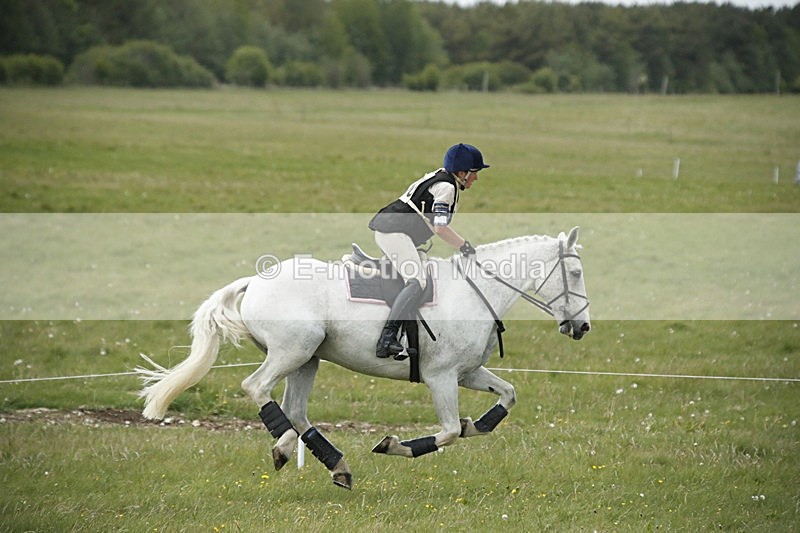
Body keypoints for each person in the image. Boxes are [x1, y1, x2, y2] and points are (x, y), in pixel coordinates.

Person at [368, 143, 489, 358]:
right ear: (462, 173)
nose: (476, 178)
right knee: (417, 281)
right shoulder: (447, 188)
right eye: (474, 172)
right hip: (393, 232)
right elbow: (440, 228)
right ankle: (387, 338)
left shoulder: (442, 178)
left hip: (397, 230)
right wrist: (464, 246)